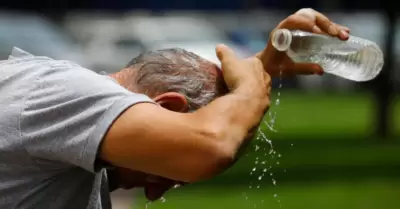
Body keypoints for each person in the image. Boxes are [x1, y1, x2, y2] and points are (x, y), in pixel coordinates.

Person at [0, 8, 349, 209]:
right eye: (168, 173)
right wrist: (250, 85)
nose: (153, 193)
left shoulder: (67, 120)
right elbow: (208, 147)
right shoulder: (65, 92)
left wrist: (261, 69)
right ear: (166, 106)